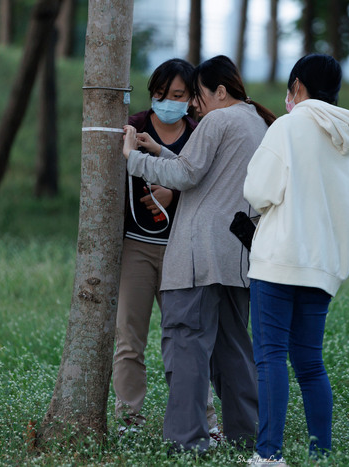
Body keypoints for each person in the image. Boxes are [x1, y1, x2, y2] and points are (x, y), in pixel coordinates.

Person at [121, 55, 276, 453]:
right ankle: (247, 437)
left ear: (220, 91)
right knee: (234, 352)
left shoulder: (218, 120)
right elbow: (206, 174)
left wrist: (133, 158)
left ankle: (187, 442)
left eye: (199, 95)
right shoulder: (255, 123)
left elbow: (186, 177)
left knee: (186, 346)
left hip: (196, 257)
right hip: (235, 257)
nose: (193, 104)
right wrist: (160, 150)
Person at [243, 54, 349, 465]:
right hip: (322, 269)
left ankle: (269, 456)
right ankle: (321, 454)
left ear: (297, 86)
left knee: (270, 358)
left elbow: (258, 191)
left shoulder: (287, 127)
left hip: (278, 260)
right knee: (310, 364)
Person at [112, 58, 220, 440]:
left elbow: (206, 186)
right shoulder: (134, 127)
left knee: (188, 341)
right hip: (136, 248)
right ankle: (130, 420)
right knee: (129, 339)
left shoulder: (199, 133)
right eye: (160, 94)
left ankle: (205, 420)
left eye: (177, 95)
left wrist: (173, 191)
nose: (168, 102)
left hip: (182, 251)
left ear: (192, 98)